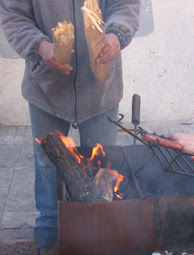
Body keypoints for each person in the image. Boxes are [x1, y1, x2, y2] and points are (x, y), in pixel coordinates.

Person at [0, 0, 141, 249]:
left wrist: (117, 33)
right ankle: (50, 220)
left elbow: (125, 4)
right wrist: (40, 47)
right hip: (46, 85)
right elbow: (13, 15)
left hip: (100, 88)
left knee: (103, 161)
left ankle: (98, 219)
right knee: (47, 160)